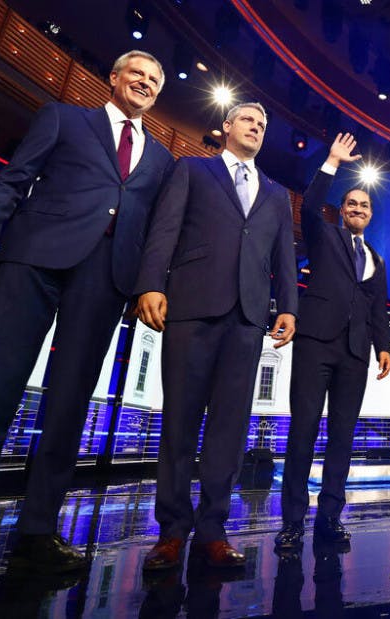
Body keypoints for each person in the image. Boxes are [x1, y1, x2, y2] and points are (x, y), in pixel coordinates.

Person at [0, 50, 174, 599]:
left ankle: (37, 533)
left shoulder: (162, 160)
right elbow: (12, 178)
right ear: (113, 78)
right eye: (136, 73)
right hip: (34, 259)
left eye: (154, 80)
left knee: (69, 408)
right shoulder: (64, 117)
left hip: (106, 278)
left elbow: (157, 231)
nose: (144, 83)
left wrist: (147, 284)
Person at [135, 102, 297, 571]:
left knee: (229, 427)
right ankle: (171, 531)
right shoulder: (192, 169)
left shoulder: (277, 194)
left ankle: (213, 529)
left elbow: (284, 257)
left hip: (248, 317)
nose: (256, 128)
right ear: (227, 126)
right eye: (248, 120)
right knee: (179, 422)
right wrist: (151, 283)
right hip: (191, 307)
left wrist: (289, 306)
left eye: (263, 125)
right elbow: (164, 229)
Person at [275, 134, 390, 552]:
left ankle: (330, 518)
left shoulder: (377, 258)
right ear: (342, 211)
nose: (358, 209)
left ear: (370, 215)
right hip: (315, 343)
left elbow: (378, 307)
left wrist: (383, 347)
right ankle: (292, 522)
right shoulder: (325, 235)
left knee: (342, 437)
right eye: (351, 204)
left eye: (364, 206)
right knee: (303, 431)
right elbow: (308, 207)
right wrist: (332, 163)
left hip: (356, 352)